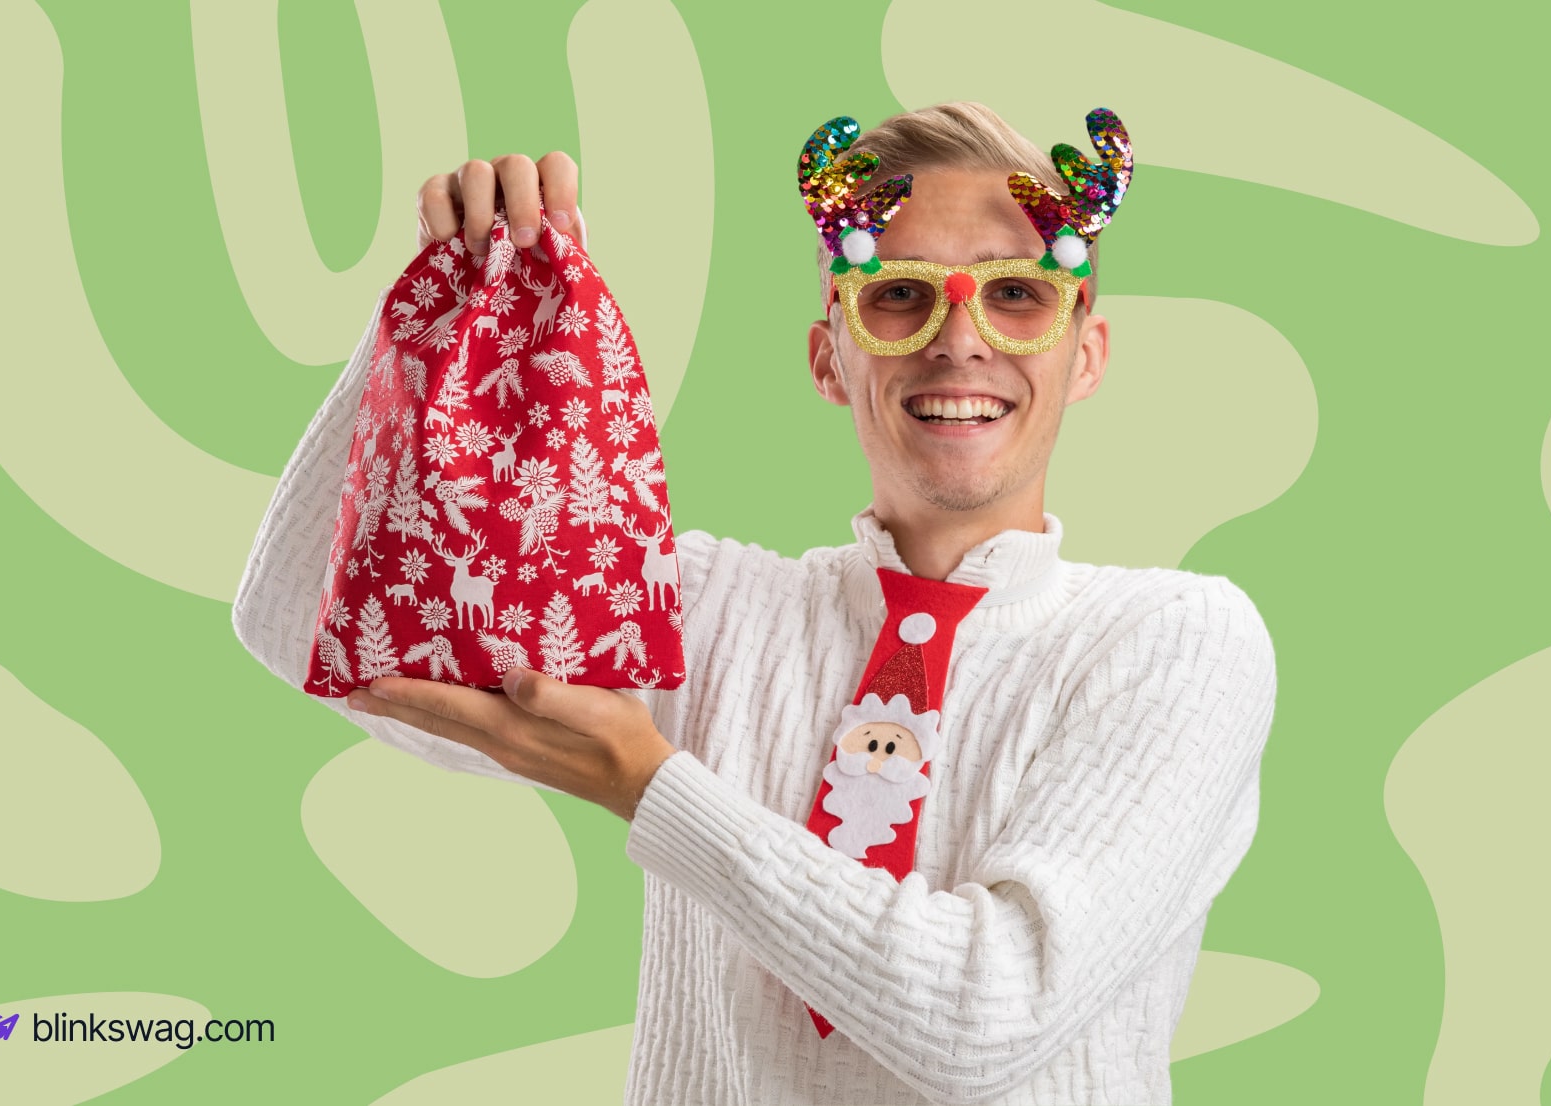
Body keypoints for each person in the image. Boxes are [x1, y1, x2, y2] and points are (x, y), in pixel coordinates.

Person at [341, 101, 1277, 1105]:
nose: (960, 340)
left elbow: (985, 1013)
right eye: (898, 295)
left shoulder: (1175, 644)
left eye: (1016, 294)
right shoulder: (698, 604)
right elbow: (327, 638)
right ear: (830, 356)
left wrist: (655, 788)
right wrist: (438, 328)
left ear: (1083, 353)